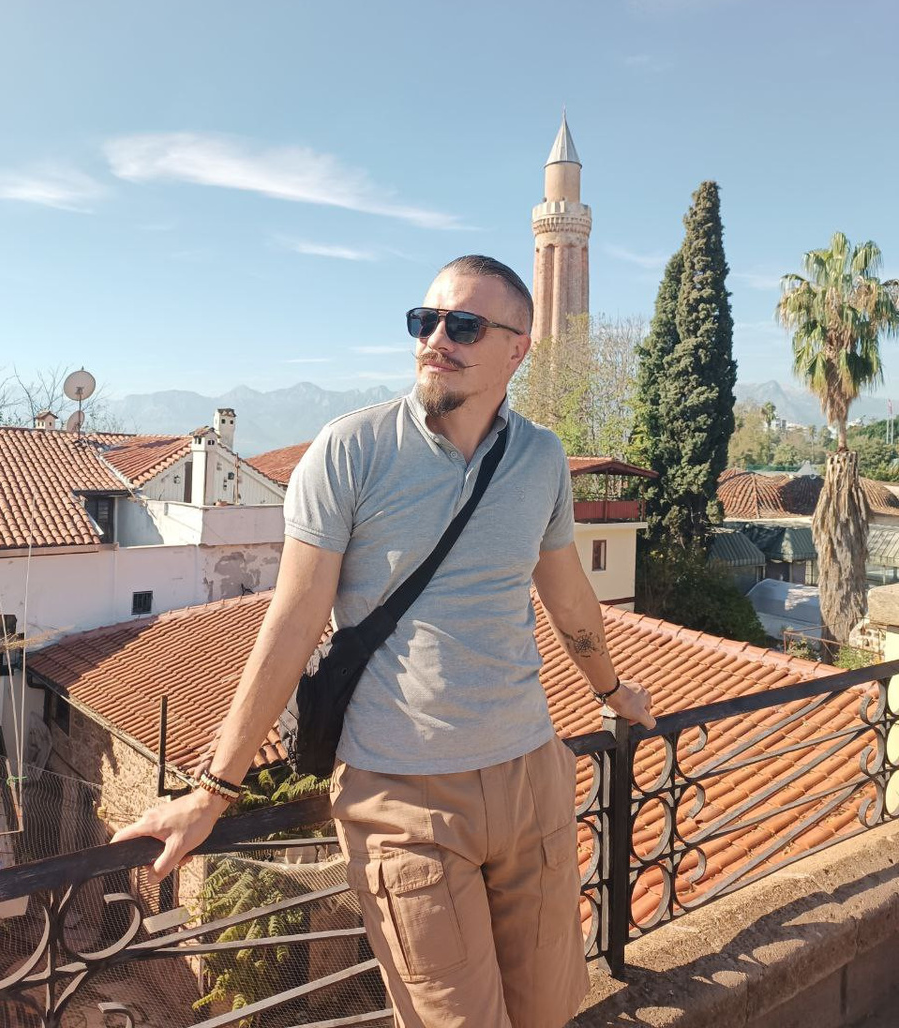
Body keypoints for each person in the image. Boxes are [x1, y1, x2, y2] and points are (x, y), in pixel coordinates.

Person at [113, 254, 654, 1028]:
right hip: (404, 798)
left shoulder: (540, 458)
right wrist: (213, 791)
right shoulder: (351, 451)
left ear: (518, 348)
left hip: (531, 774)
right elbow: (293, 622)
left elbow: (569, 598)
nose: (436, 340)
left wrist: (612, 691)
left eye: (463, 325)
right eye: (425, 321)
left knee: (550, 1010)